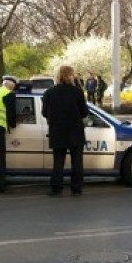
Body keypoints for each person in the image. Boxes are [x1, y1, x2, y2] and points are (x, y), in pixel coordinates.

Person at [42, 65, 88, 196]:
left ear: (58, 76)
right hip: (75, 131)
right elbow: (84, 113)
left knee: (58, 162)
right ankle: (76, 188)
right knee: (77, 161)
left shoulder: (49, 92)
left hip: (57, 131)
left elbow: (44, 112)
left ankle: (56, 188)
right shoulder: (78, 92)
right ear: (72, 76)